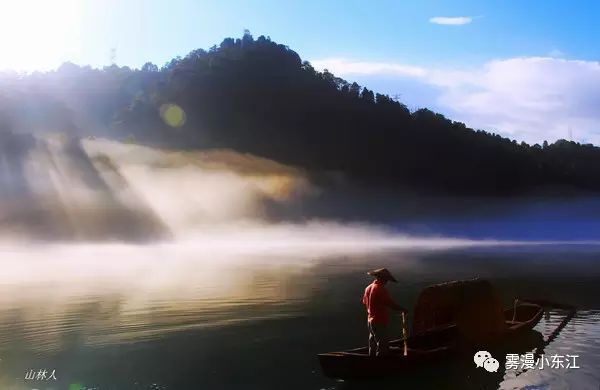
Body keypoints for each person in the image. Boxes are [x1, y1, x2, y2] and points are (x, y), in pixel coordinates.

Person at [362, 268, 408, 357]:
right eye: (386, 279)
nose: (387, 282)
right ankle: (381, 365)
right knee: (382, 345)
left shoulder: (368, 288)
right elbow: (390, 303)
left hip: (370, 321)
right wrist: (403, 309)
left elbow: (365, 302)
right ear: (382, 278)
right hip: (379, 321)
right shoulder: (380, 289)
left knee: (373, 344)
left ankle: (371, 362)